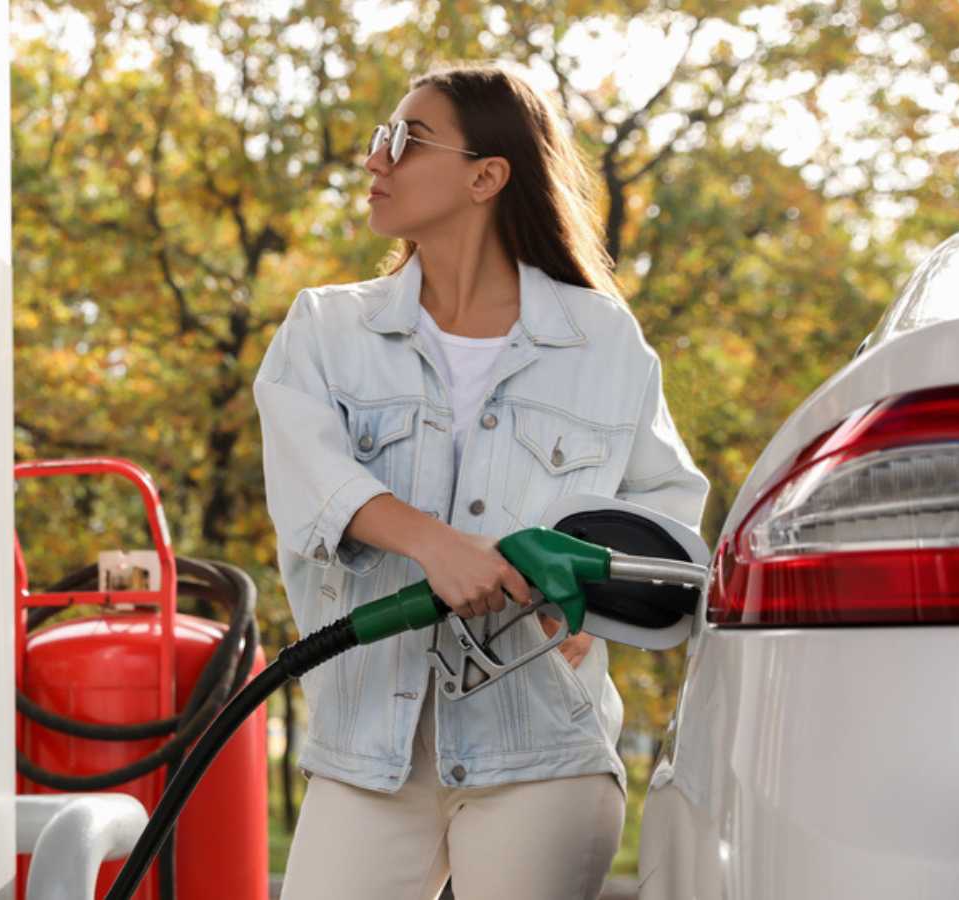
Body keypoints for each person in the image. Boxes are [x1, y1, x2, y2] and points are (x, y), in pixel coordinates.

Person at [253, 62, 709, 899]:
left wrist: (593, 606)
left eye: (406, 139)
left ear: (487, 176)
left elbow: (668, 519)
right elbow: (307, 476)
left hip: (540, 747)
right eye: (380, 139)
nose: (375, 160)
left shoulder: (599, 341)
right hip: (368, 753)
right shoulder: (327, 329)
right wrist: (436, 546)